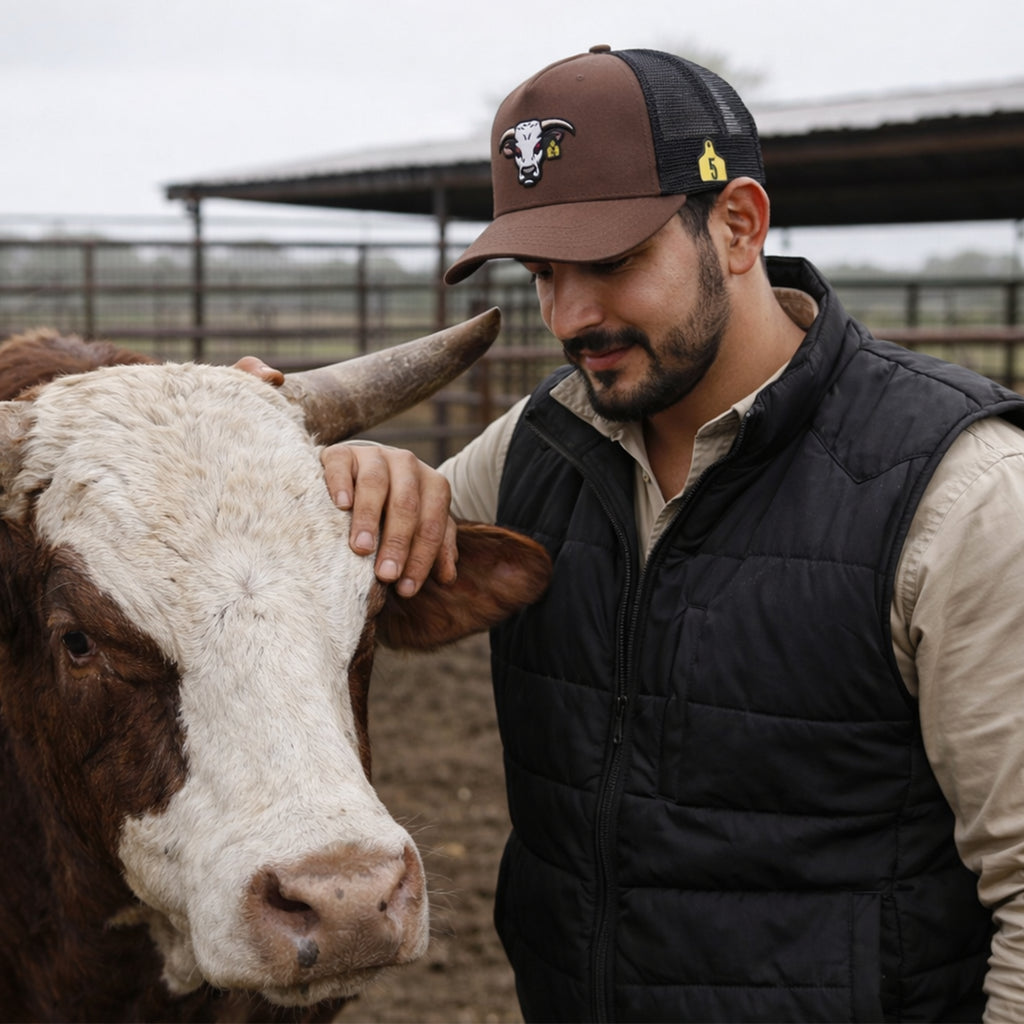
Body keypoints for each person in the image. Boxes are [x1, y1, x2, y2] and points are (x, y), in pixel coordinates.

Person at [319, 47, 1024, 1021]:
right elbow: (348, 591)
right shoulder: (539, 445)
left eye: (610, 263)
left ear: (737, 227)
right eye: (541, 272)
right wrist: (352, 483)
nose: (570, 316)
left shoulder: (958, 490)